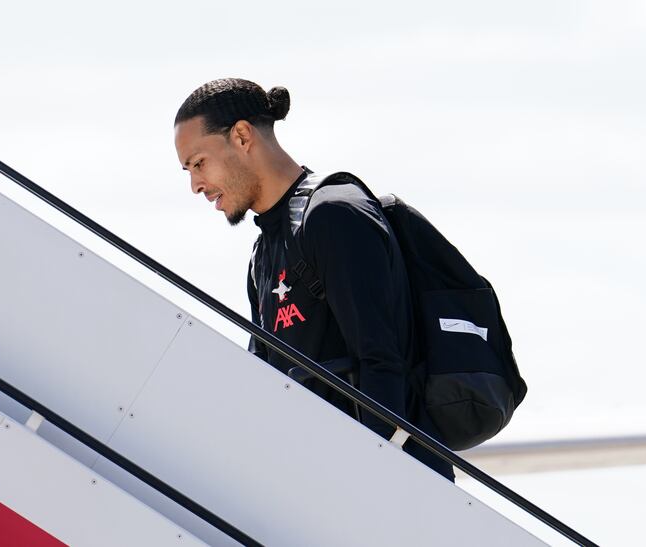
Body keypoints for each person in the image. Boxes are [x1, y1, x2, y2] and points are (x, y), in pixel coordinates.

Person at [173, 78, 454, 481]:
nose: (196, 185)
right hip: (321, 485)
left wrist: (363, 484)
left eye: (198, 163)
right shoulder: (263, 254)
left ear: (241, 136)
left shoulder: (333, 215)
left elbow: (382, 364)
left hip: (388, 489)